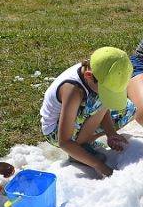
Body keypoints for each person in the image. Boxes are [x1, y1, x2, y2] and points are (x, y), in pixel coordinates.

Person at [40, 47, 135, 178]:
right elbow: (64, 141)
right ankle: (79, 150)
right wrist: (98, 165)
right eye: (106, 91)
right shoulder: (73, 90)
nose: (107, 95)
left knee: (128, 109)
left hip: (79, 119)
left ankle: (83, 143)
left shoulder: (96, 73)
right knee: (98, 101)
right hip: (56, 132)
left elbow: (103, 106)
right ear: (89, 76)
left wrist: (111, 132)